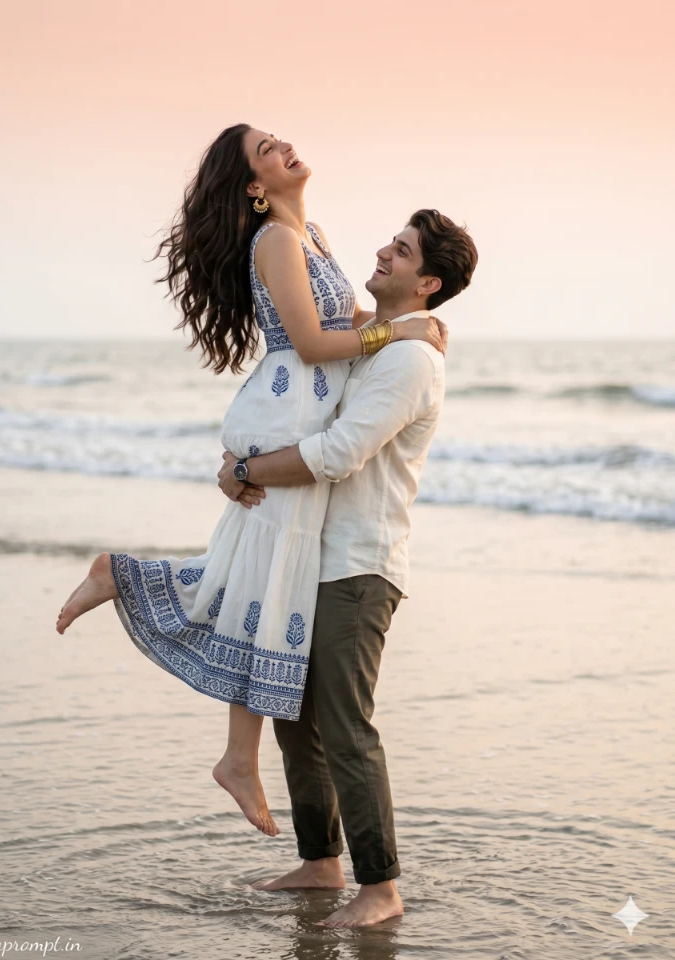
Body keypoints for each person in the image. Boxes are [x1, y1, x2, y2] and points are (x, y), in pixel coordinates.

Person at [54, 124, 445, 840]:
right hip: (286, 408)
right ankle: (128, 585)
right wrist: (398, 333)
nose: (285, 146)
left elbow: (341, 318)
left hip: (298, 411)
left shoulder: (313, 234)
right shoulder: (276, 243)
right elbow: (310, 343)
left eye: (276, 138)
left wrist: (408, 324)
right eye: (267, 151)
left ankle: (236, 753)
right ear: (256, 190)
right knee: (259, 584)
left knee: (257, 584)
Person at [216, 208, 478, 927]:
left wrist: (244, 468)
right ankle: (320, 861)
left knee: (344, 722)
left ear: (427, 282)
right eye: (389, 243)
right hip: (311, 554)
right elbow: (303, 404)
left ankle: (380, 888)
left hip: (359, 568)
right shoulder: (372, 346)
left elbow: (335, 454)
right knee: (294, 715)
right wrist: (239, 465)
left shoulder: (410, 361)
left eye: (400, 251)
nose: (383, 253)